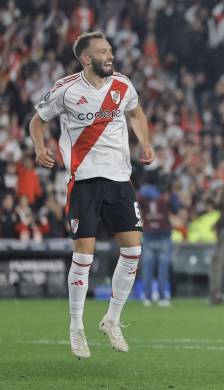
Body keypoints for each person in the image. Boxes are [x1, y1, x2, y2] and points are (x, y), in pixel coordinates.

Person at [28, 31, 154, 359]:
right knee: (84, 257)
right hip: (83, 181)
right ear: (86, 59)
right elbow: (36, 121)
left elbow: (137, 113)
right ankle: (76, 327)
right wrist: (40, 147)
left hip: (119, 180)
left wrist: (146, 142)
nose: (110, 55)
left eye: (110, 50)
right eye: (102, 52)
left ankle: (112, 320)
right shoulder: (66, 90)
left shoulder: (123, 85)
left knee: (133, 251)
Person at [138, 172, 180, 307]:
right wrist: (172, 195)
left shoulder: (143, 193)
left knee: (148, 268)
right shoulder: (166, 194)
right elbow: (176, 208)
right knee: (163, 267)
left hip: (149, 232)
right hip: (163, 233)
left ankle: (147, 297)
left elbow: (138, 210)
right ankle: (162, 297)